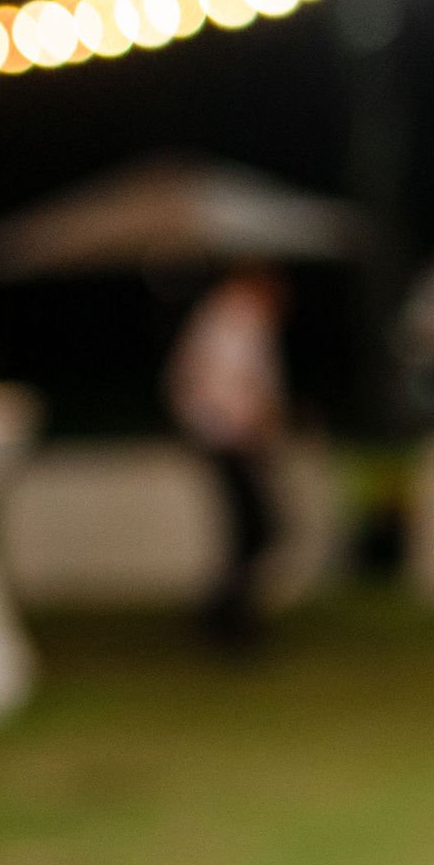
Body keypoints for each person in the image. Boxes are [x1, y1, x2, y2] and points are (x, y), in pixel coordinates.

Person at [163, 270, 288, 649]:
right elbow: (234, 379)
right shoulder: (236, 318)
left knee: (250, 529)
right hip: (227, 436)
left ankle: (227, 613)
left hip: (222, 434)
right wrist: (246, 427)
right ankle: (225, 616)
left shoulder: (221, 315)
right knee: (255, 528)